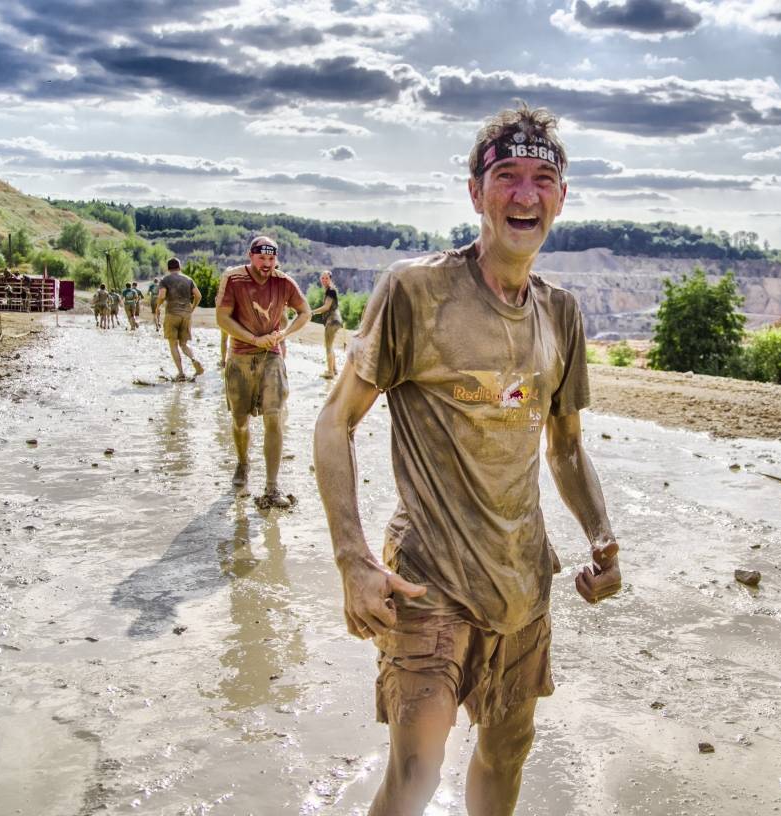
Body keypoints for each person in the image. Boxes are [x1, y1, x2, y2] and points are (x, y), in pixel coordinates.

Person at [313, 102, 622, 816]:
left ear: (561, 197)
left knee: (507, 753)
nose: (523, 194)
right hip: (427, 583)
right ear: (474, 192)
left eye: (541, 178)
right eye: (505, 175)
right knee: (417, 772)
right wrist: (353, 560)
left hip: (523, 584)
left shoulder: (561, 313)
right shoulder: (414, 293)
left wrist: (600, 535)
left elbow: (566, 445)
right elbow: (335, 423)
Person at [216, 236, 310, 507]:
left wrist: (283, 334)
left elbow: (305, 312)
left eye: (271, 259)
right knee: (240, 420)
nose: (267, 264)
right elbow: (222, 318)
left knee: (273, 417)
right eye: (262, 258)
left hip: (272, 357)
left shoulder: (283, 281)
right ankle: (243, 463)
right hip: (240, 359)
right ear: (251, 256)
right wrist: (253, 339)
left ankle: (271, 486)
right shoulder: (233, 279)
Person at [156, 258, 205, 381]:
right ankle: (194, 360)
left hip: (172, 314)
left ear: (168, 268)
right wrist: (192, 308)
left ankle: (181, 373)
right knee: (183, 344)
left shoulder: (165, 280)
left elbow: (162, 295)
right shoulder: (188, 279)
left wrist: (158, 306)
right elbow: (198, 295)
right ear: (179, 267)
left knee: (173, 344)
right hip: (186, 315)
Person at [311, 270, 344, 379]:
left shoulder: (330, 290)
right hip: (335, 321)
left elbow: (326, 307)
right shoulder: (330, 290)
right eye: (322, 278)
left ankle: (330, 372)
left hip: (332, 321)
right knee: (330, 346)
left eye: (326, 278)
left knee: (328, 347)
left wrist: (312, 312)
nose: (324, 280)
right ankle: (333, 370)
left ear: (330, 279)